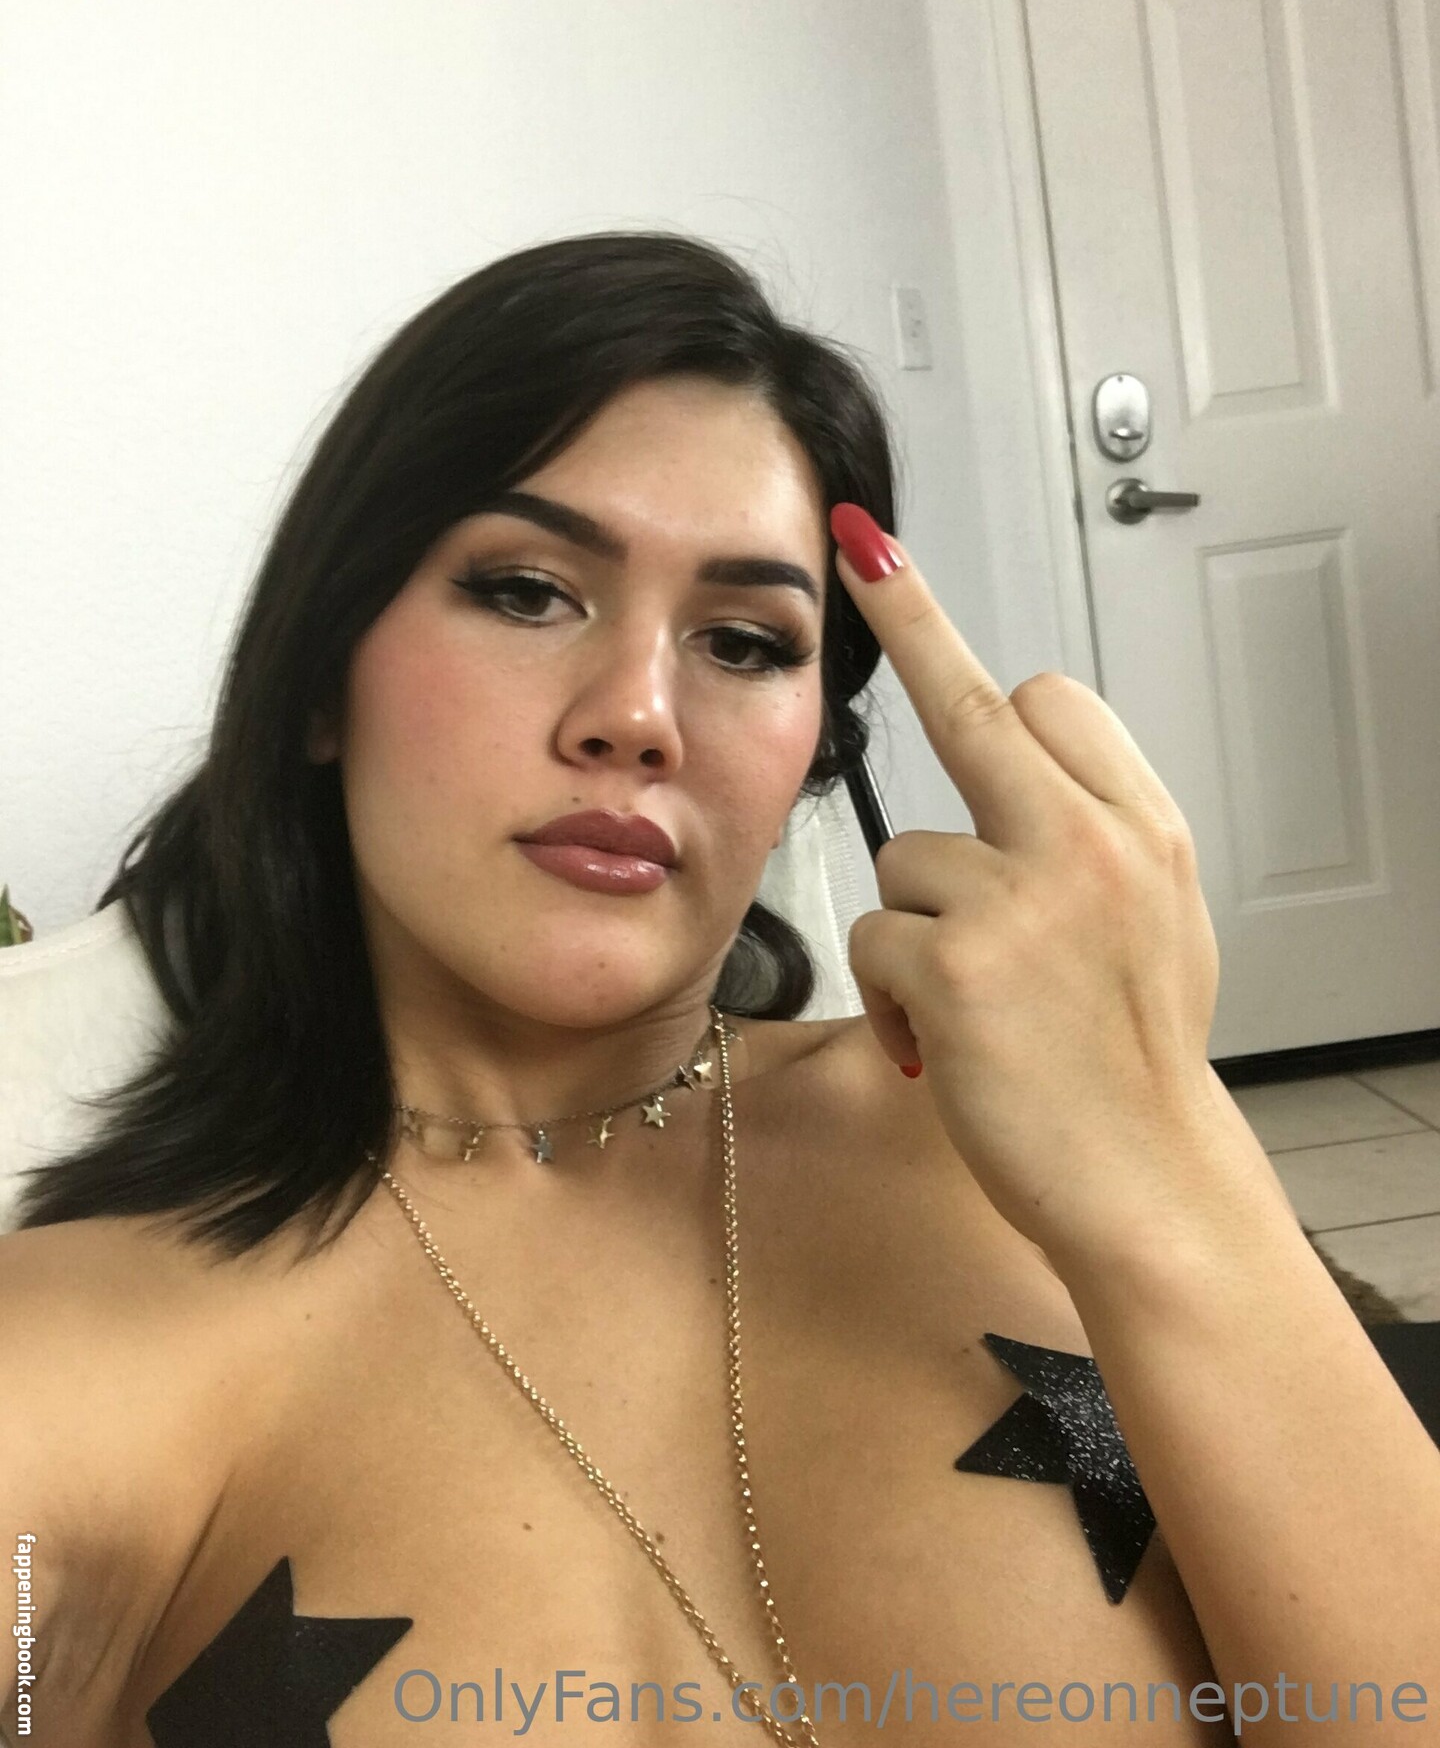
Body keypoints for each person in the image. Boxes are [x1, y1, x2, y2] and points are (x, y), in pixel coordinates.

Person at [1, 232, 1435, 1748]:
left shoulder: (1033, 1148)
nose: (638, 716)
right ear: (315, 683)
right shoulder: (79, 1353)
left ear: (814, 748)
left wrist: (1166, 1154)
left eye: (746, 642)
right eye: (526, 592)